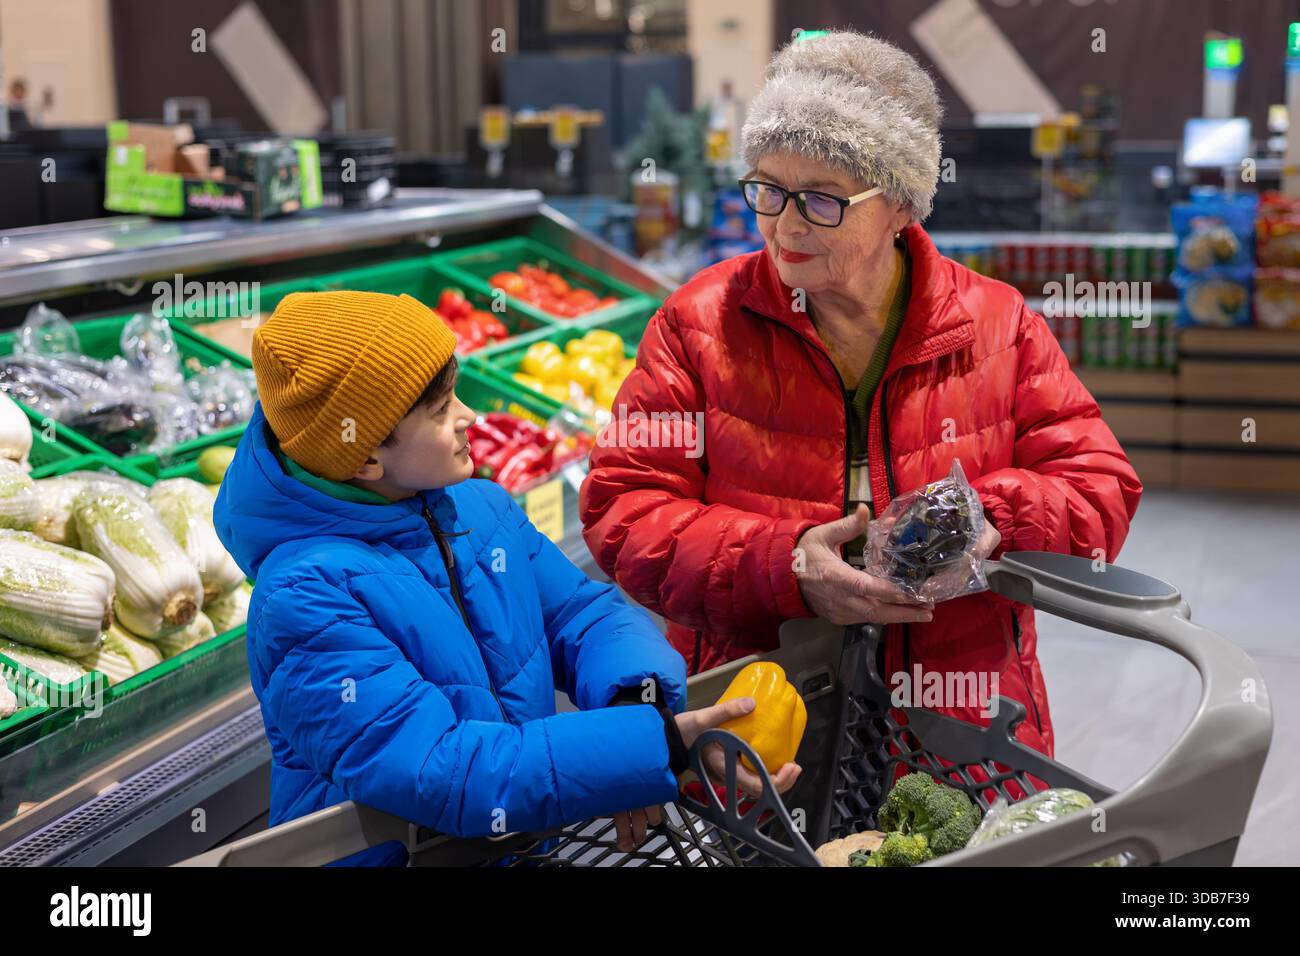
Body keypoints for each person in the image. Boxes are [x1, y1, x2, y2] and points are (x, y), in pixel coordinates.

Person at [581, 30, 1143, 759]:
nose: (782, 225)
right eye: (767, 188)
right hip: (758, 731)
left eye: (821, 199)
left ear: (903, 204)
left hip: (959, 728)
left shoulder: (996, 326)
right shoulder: (698, 326)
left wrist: (990, 519)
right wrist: (783, 568)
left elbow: (1100, 487)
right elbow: (623, 511)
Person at [213, 291, 798, 866]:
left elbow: (582, 616)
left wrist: (635, 705)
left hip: (519, 846)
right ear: (365, 458)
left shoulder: (477, 510)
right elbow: (449, 771)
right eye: (442, 410)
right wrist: (655, 747)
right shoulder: (303, 598)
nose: (470, 415)